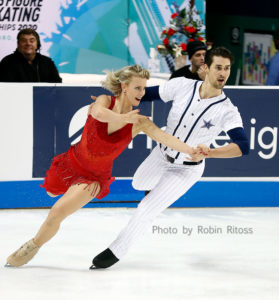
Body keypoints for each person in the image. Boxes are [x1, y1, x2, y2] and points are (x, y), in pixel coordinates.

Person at [6, 65, 201, 267]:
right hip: (71, 163)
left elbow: (164, 137)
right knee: (51, 193)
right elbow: (99, 114)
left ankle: (32, 246)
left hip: (93, 178)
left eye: (144, 88)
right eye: (137, 88)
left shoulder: (140, 122)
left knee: (56, 213)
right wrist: (125, 118)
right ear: (124, 87)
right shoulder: (105, 100)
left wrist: (190, 150)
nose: (142, 93)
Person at [91, 47, 250, 269]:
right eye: (218, 67)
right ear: (205, 68)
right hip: (161, 154)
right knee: (138, 182)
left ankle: (113, 253)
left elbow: (243, 146)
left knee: (146, 209)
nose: (223, 73)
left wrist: (212, 152)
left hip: (187, 169)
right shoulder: (183, 85)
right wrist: (118, 98)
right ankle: (155, 191)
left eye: (227, 68)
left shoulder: (227, 110)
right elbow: (145, 94)